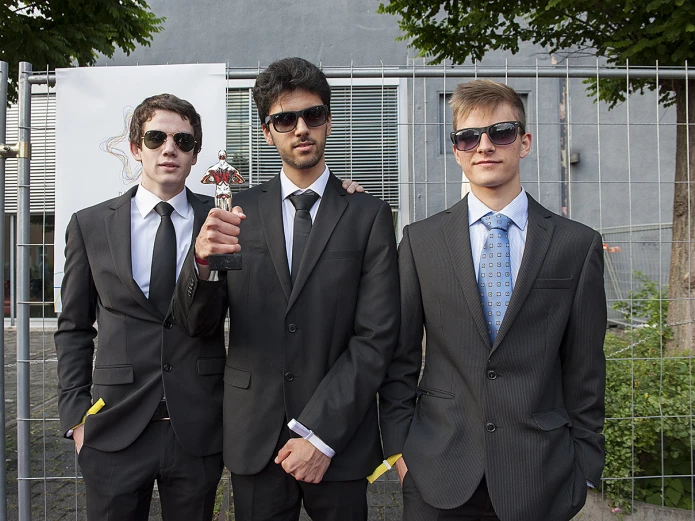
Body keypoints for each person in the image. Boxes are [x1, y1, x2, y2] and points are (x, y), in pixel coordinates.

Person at [175, 57, 400, 521]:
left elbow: (376, 336)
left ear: (329, 121)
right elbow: (198, 322)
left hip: (339, 436)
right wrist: (201, 264)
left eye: (313, 115)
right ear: (266, 131)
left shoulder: (368, 216)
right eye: (284, 119)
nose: (301, 128)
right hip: (256, 433)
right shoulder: (234, 213)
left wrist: (320, 435)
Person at [379, 79, 607, 521]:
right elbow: (399, 359)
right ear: (458, 150)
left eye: (500, 133)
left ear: (523, 142)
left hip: (540, 475)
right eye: (468, 137)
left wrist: (585, 468)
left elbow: (585, 368)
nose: (484, 146)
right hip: (436, 473)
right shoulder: (420, 241)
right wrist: (402, 457)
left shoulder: (576, 246)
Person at [55, 94, 226, 521]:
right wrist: (76, 416)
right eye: (156, 137)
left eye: (183, 141)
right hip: (113, 427)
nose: (170, 149)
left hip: (197, 426)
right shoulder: (91, 224)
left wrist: (344, 191)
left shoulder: (223, 219)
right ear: (136, 147)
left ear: (194, 155)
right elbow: (74, 327)